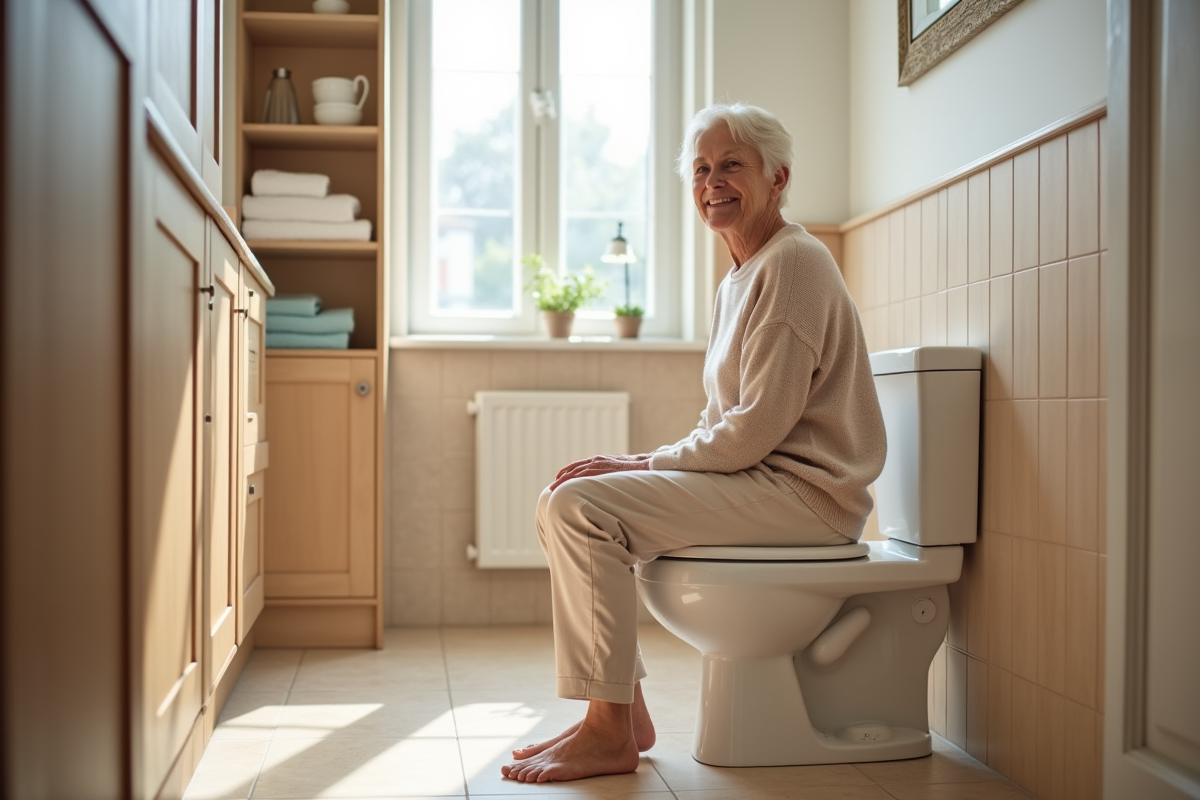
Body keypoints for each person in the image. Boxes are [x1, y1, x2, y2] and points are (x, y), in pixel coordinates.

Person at [500, 103, 887, 784]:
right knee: (565, 497)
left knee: (582, 508)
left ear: (778, 177)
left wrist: (642, 462)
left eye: (732, 165)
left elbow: (751, 432)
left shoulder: (793, 264)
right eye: (702, 169)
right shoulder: (742, 275)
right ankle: (616, 715)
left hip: (809, 497)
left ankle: (609, 729)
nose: (713, 181)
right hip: (768, 484)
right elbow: (724, 426)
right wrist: (645, 463)